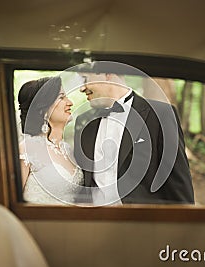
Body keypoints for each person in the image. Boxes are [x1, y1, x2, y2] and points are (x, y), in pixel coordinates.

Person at [73, 62, 194, 205]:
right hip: (92, 222)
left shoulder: (161, 115)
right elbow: (83, 182)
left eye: (85, 79)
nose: (81, 88)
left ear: (108, 75)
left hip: (141, 223)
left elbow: (179, 185)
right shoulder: (84, 122)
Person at [18, 77, 84, 205]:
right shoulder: (27, 149)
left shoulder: (68, 150)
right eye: (61, 97)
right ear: (43, 109)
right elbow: (13, 201)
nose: (70, 102)